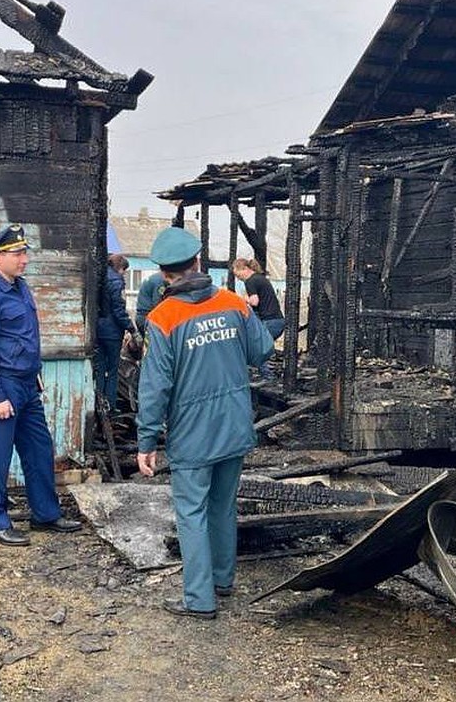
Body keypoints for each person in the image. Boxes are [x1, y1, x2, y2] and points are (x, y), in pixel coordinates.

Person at [136, 227, 274, 619]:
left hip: (192, 432)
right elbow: (262, 349)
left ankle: (199, 600)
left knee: (191, 511)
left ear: (164, 274)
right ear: (198, 262)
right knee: (222, 505)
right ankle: (222, 580)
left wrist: (146, 440)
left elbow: (155, 387)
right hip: (234, 423)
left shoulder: (162, 319)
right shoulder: (234, 303)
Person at [0, 224, 82, 546]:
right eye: (17, 254)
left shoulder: (20, 288)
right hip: (3, 387)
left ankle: (45, 514)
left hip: (28, 387)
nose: (24, 260)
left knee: (39, 450)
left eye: (24, 253)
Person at [230, 258, 284, 380]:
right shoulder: (259, 278)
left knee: (258, 348)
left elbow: (254, 301)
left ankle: (268, 377)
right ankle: (267, 374)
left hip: (271, 321)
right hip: (276, 321)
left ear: (244, 269)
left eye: (237, 275)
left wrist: (242, 299)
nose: (238, 278)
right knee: (259, 347)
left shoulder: (250, 281)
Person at [95, 253, 134, 410]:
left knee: (100, 368)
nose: (124, 273)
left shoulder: (101, 277)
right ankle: (110, 406)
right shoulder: (117, 282)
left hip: (98, 329)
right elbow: (119, 311)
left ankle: (98, 403)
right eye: (125, 270)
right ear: (121, 267)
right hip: (112, 332)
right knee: (112, 371)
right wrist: (131, 328)